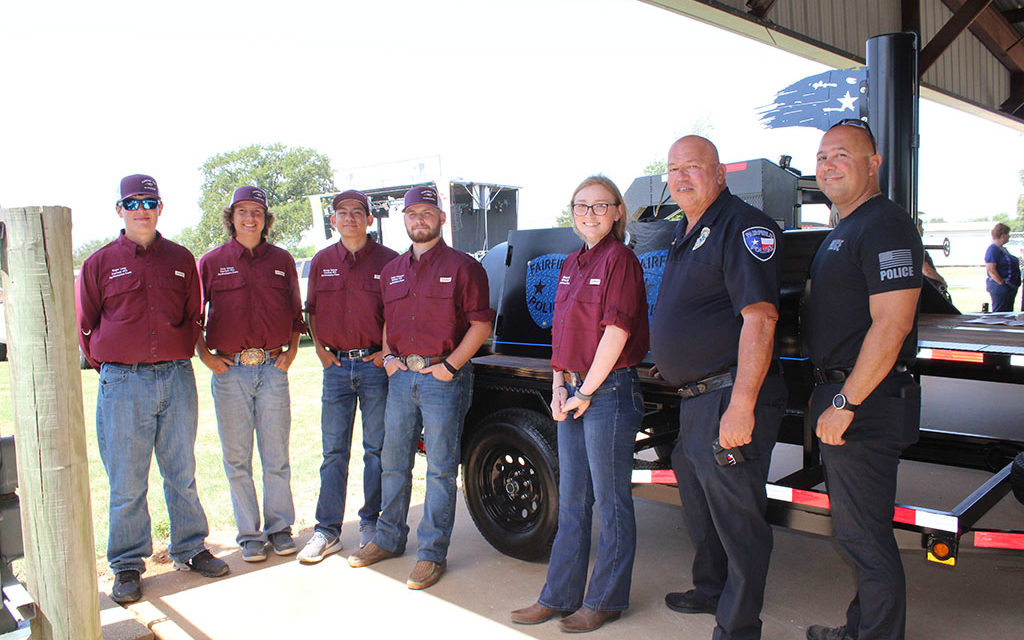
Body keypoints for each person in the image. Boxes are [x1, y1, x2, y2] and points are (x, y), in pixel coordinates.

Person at [649, 136, 787, 640]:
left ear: (720, 173)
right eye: (673, 169)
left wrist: (743, 404)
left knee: (738, 518)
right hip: (695, 399)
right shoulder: (687, 231)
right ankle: (711, 588)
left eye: (693, 167)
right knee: (701, 504)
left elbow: (760, 319)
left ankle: (738, 625)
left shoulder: (743, 226)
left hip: (730, 394)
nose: (681, 177)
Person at [76, 174, 228, 604]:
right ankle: (126, 564)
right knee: (127, 480)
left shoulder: (180, 258)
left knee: (181, 471)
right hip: (124, 381)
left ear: (160, 208)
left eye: (150, 201)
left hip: (177, 376)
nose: (142, 209)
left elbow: (192, 314)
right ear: (119, 209)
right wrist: (115, 364)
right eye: (133, 202)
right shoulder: (100, 263)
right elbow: (86, 326)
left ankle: (190, 547)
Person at [510, 176, 648, 633]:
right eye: (581, 206)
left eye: (599, 206)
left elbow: (617, 332)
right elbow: (561, 333)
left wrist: (586, 390)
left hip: (606, 394)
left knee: (610, 503)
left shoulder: (620, 261)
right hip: (573, 392)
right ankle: (559, 595)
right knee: (572, 501)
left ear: (617, 212)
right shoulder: (571, 263)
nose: (589, 214)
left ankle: (606, 599)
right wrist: (558, 387)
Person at [804, 119, 923, 640]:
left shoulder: (884, 225)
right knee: (856, 532)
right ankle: (860, 629)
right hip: (844, 391)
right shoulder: (847, 228)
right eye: (822, 156)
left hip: (865, 400)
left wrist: (846, 401)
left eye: (842, 155)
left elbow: (893, 323)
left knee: (865, 536)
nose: (828, 165)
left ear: (873, 164)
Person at [347, 185, 494, 590]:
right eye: (412, 214)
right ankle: (389, 539)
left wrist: (450, 366)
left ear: (441, 218)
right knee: (393, 462)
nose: (419, 220)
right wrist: (389, 357)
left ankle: (430, 554)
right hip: (401, 380)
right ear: (404, 220)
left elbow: (481, 324)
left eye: (427, 213)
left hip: (442, 380)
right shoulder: (392, 270)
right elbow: (388, 322)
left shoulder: (465, 267)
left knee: (441, 470)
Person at [197, 186, 304, 562]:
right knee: (237, 458)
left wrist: (291, 350)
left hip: (274, 369)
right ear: (231, 217)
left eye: (256, 211)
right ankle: (250, 535)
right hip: (230, 372)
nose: (249, 218)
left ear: (265, 218)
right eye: (242, 211)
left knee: (276, 456)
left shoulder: (282, 260)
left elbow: (295, 313)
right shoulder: (210, 262)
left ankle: (279, 528)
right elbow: (193, 316)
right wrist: (205, 357)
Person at [298, 190, 398, 564]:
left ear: (370, 220)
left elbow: (396, 313)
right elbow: (312, 312)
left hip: (374, 369)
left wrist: (384, 352)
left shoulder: (389, 261)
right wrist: (322, 351)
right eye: (343, 213)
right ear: (333, 220)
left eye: (358, 212)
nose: (351, 218)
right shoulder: (322, 262)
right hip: (336, 369)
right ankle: (327, 531)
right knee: (333, 453)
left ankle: (371, 523)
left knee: (376, 451)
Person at [984, 222, 1019, 312]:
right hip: (1001, 289)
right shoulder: (993, 249)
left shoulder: (1003, 249)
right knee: (1000, 313)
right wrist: (1002, 284)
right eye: (1008, 234)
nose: (1009, 237)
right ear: (1003, 235)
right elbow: (991, 269)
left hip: (1009, 289)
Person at [916, 218, 948, 293]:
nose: (922, 229)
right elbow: (926, 270)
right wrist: (942, 281)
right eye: (920, 225)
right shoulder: (916, 248)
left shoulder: (920, 248)